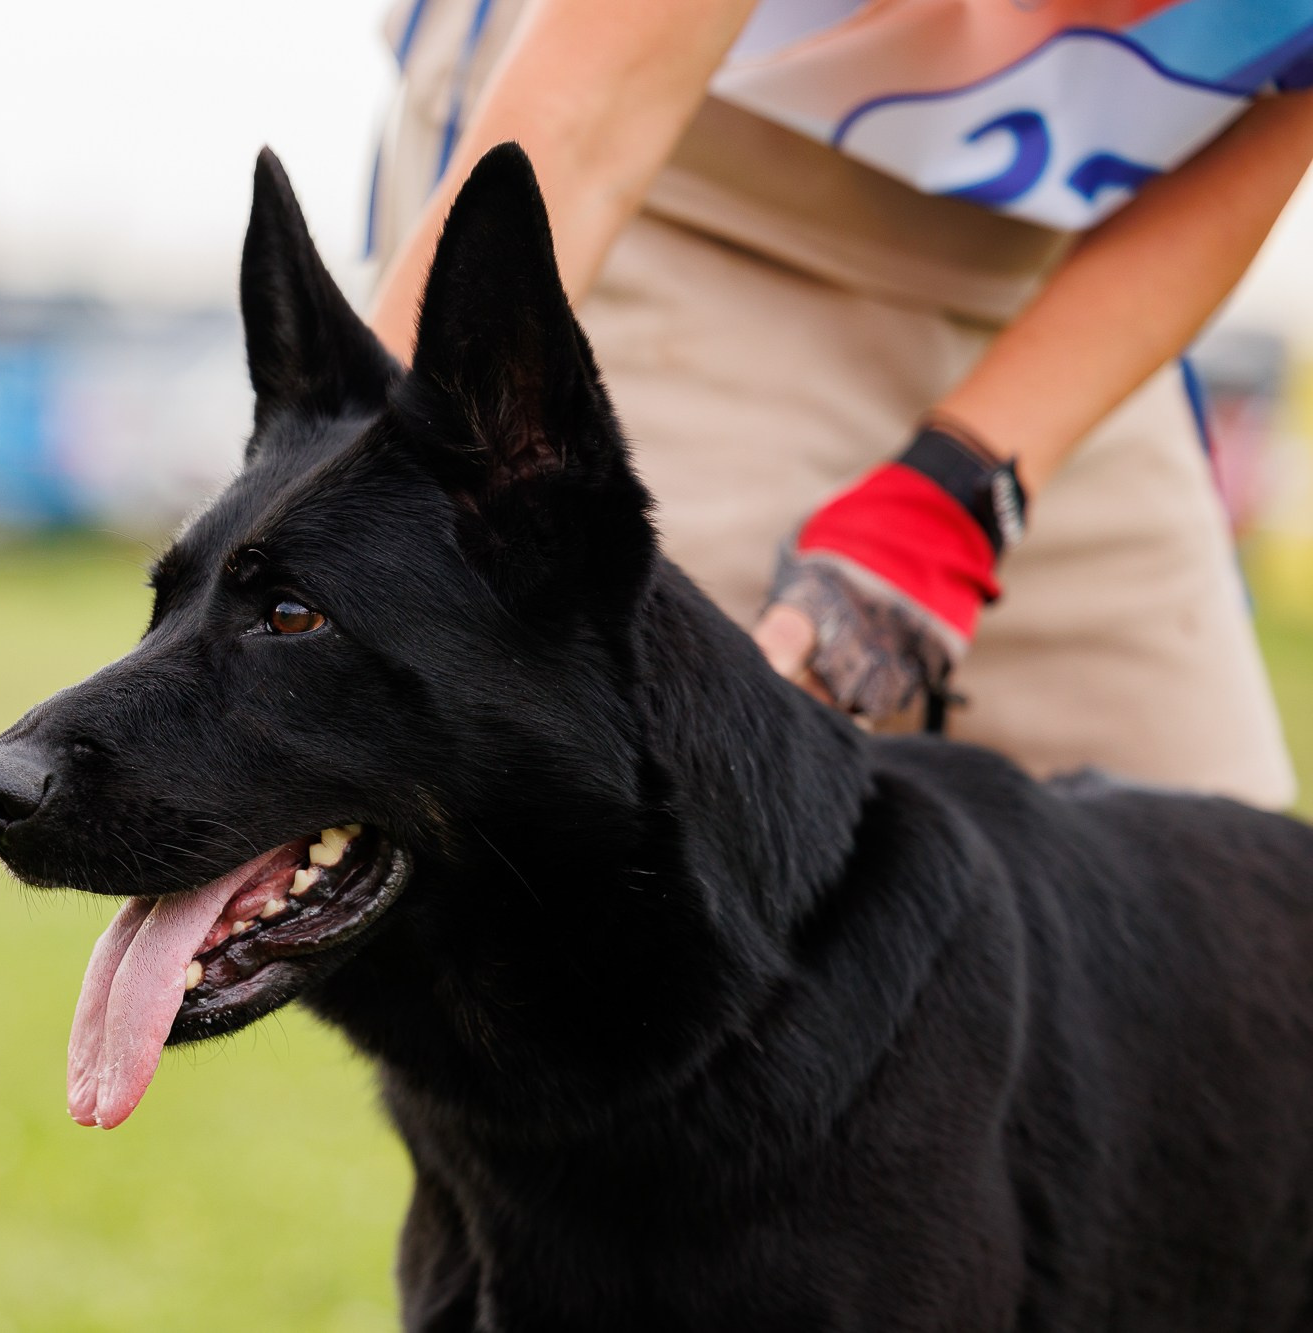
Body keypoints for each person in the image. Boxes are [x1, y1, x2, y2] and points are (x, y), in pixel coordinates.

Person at [362, 0, 1313, 808]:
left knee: (1221, 905)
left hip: (1065, 246)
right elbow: (588, 118)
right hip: (675, 163)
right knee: (658, 820)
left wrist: (953, 498)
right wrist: (361, 483)